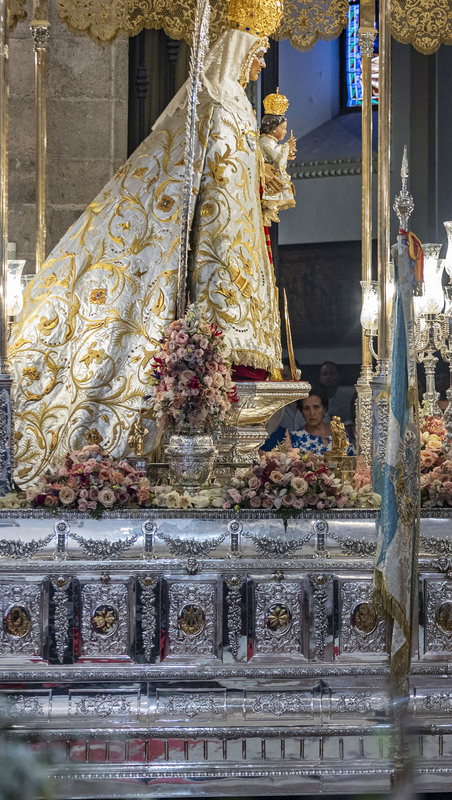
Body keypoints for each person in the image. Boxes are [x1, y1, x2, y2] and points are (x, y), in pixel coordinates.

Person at [10, 0, 286, 484]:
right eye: (258, 51)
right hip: (211, 256)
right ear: (239, 47)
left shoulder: (234, 105)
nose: (260, 63)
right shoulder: (217, 103)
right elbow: (213, 198)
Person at [262, 391, 354, 455]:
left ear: (324, 409)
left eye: (316, 407)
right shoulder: (294, 438)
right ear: (301, 412)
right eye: (306, 408)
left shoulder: (340, 434)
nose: (312, 413)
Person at [258, 88, 297, 223]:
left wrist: (286, 153)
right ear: (274, 128)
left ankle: (271, 210)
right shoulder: (265, 141)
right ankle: (269, 210)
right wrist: (287, 147)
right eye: (283, 128)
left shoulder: (271, 141)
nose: (285, 131)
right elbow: (276, 158)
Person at [318, 361, 357, 427]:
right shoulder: (314, 399)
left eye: (332, 374)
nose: (328, 377)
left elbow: (349, 421)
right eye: (325, 374)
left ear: (338, 377)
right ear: (320, 378)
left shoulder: (347, 399)